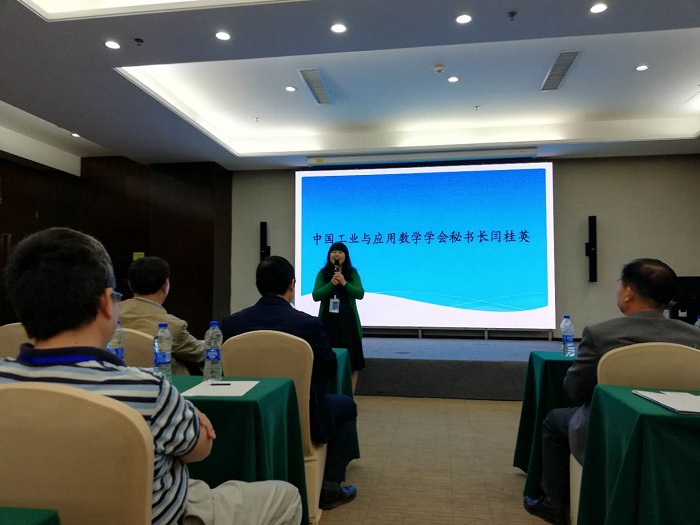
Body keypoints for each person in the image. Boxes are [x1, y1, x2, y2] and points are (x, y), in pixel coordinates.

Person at [0, 228, 302, 525]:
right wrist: (189, 415)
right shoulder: (147, 390)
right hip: (165, 513)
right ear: (106, 303)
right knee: (286, 497)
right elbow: (200, 449)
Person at [524, 258, 700, 525]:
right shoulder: (694, 338)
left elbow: (574, 389)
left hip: (606, 433)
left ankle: (553, 503)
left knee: (553, 420)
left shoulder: (600, 334)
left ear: (628, 292)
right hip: (674, 436)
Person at [221, 255, 358, 510]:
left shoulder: (231, 324)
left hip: (249, 415)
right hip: (303, 414)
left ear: (258, 285)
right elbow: (329, 367)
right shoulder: (308, 324)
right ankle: (330, 487)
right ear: (292, 285)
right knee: (346, 406)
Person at [119, 256, 205, 375]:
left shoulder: (108, 316)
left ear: (130, 284)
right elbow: (205, 355)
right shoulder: (172, 326)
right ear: (166, 284)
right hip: (164, 383)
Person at [312, 242, 365, 392]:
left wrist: (344, 282)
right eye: (333, 251)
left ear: (346, 256)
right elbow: (316, 295)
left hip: (348, 323)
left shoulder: (352, 273)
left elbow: (360, 293)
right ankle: (329, 395)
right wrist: (331, 284)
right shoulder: (323, 274)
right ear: (329, 255)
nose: (336, 254)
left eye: (340, 252)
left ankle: (350, 397)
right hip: (328, 323)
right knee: (327, 360)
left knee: (352, 362)